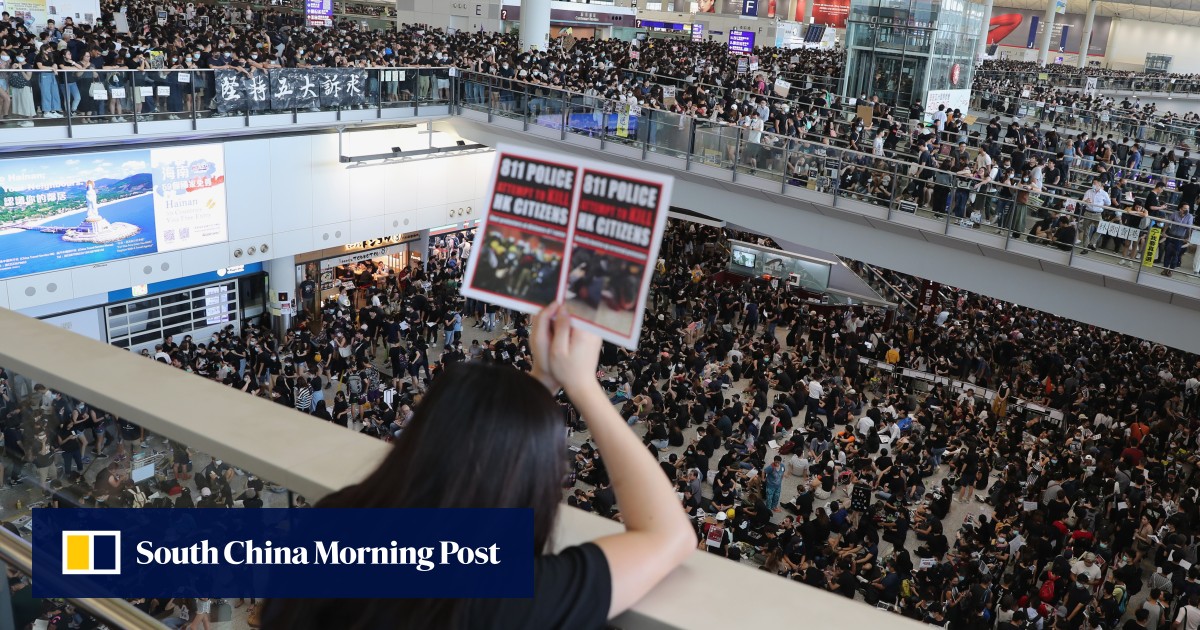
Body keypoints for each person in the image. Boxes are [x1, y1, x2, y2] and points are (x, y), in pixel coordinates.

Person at [261, 304, 695, 629]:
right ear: (532, 478)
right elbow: (669, 534)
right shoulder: (503, 594)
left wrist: (537, 385)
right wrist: (582, 385)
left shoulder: (338, 518)